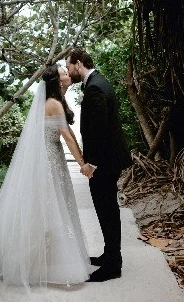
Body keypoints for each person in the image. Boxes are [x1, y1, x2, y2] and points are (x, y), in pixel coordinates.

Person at [0, 63, 91, 287]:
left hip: (52, 158)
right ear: (56, 80)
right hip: (49, 161)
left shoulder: (55, 101)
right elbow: (68, 137)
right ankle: (33, 265)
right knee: (48, 210)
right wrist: (82, 163)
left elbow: (68, 132)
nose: (67, 74)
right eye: (64, 72)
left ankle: (42, 260)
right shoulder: (53, 103)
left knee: (47, 209)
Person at [67, 47, 132, 282]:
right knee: (108, 210)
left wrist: (91, 164)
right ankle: (110, 255)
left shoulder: (95, 88)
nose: (68, 71)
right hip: (109, 159)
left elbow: (99, 131)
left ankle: (113, 265)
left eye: (69, 66)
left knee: (107, 211)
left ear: (78, 63)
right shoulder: (98, 82)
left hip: (104, 162)